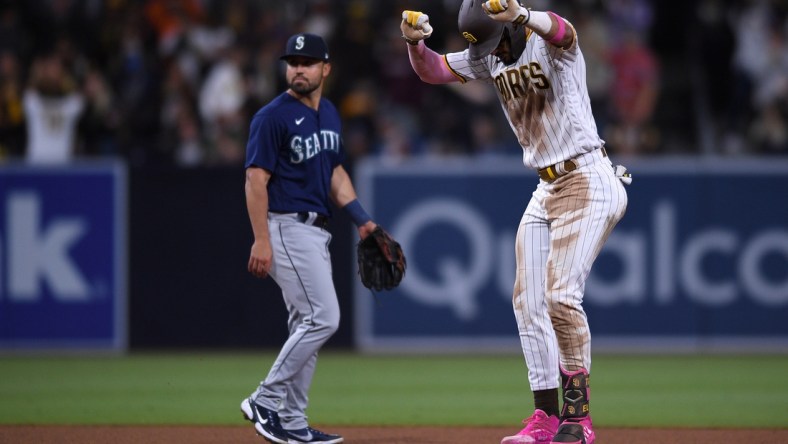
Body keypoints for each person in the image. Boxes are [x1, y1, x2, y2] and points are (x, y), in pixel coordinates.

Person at [400, 1, 630, 443]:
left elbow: (566, 32)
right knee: (527, 302)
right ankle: (544, 418)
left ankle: (578, 419)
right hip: (546, 187)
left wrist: (522, 15)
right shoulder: (489, 52)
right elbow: (433, 71)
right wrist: (415, 44)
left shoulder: (545, 44)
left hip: (587, 176)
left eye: (494, 40)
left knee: (561, 296)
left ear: (511, 26)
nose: (491, 53)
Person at [240, 32, 378, 444]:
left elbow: (334, 173)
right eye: (293, 61)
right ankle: (265, 400)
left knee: (307, 324)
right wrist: (260, 239)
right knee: (324, 318)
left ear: (325, 68)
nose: (299, 68)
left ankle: (294, 423)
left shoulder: (330, 113)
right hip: (285, 225)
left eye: (308, 61)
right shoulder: (272, 116)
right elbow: (254, 180)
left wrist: (362, 220)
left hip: (316, 231)